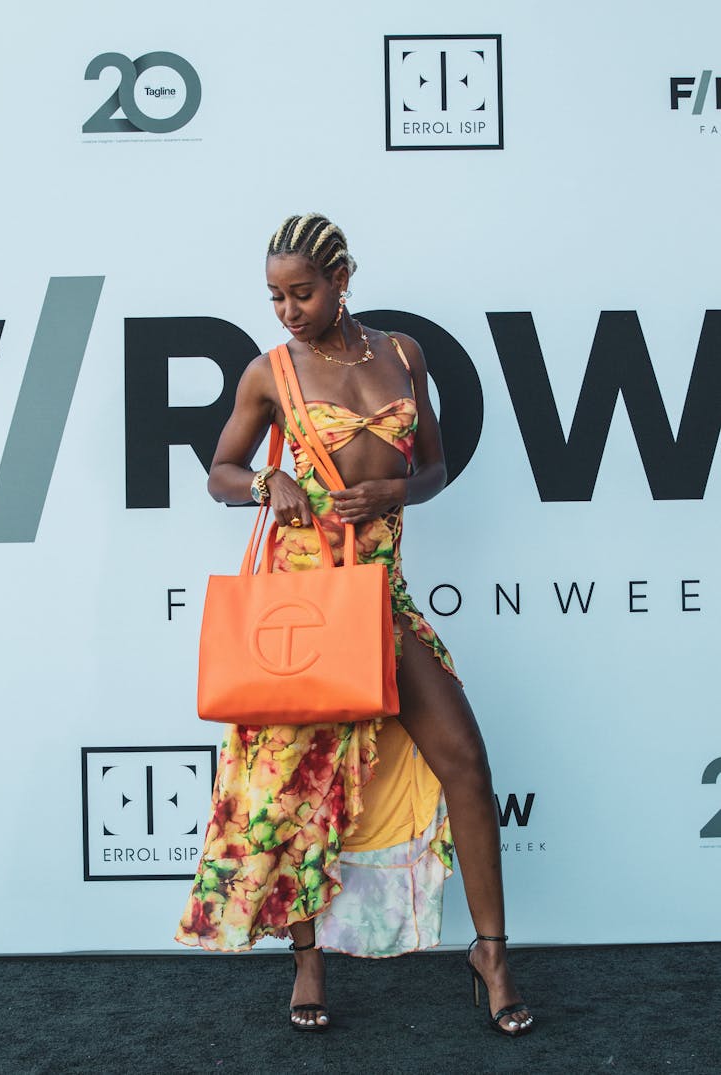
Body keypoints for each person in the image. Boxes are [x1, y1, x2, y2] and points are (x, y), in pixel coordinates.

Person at [176, 212, 534, 1037]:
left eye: (302, 292)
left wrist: (395, 493)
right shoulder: (271, 373)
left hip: (382, 594)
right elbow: (220, 472)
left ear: (343, 280)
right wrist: (269, 487)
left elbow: (435, 466)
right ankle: (307, 963)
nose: (289, 310)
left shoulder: (404, 354)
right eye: (275, 296)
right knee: (297, 787)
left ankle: (491, 953)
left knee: (465, 759)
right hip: (305, 602)